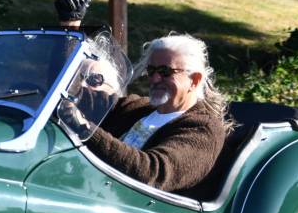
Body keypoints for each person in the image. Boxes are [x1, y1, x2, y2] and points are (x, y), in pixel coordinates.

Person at [84, 34, 230, 195]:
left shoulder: (203, 129)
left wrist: (86, 129)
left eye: (165, 72)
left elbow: (153, 173)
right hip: (93, 193)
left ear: (194, 80)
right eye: (151, 70)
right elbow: (90, 100)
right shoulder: (139, 108)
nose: (154, 79)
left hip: (136, 207)